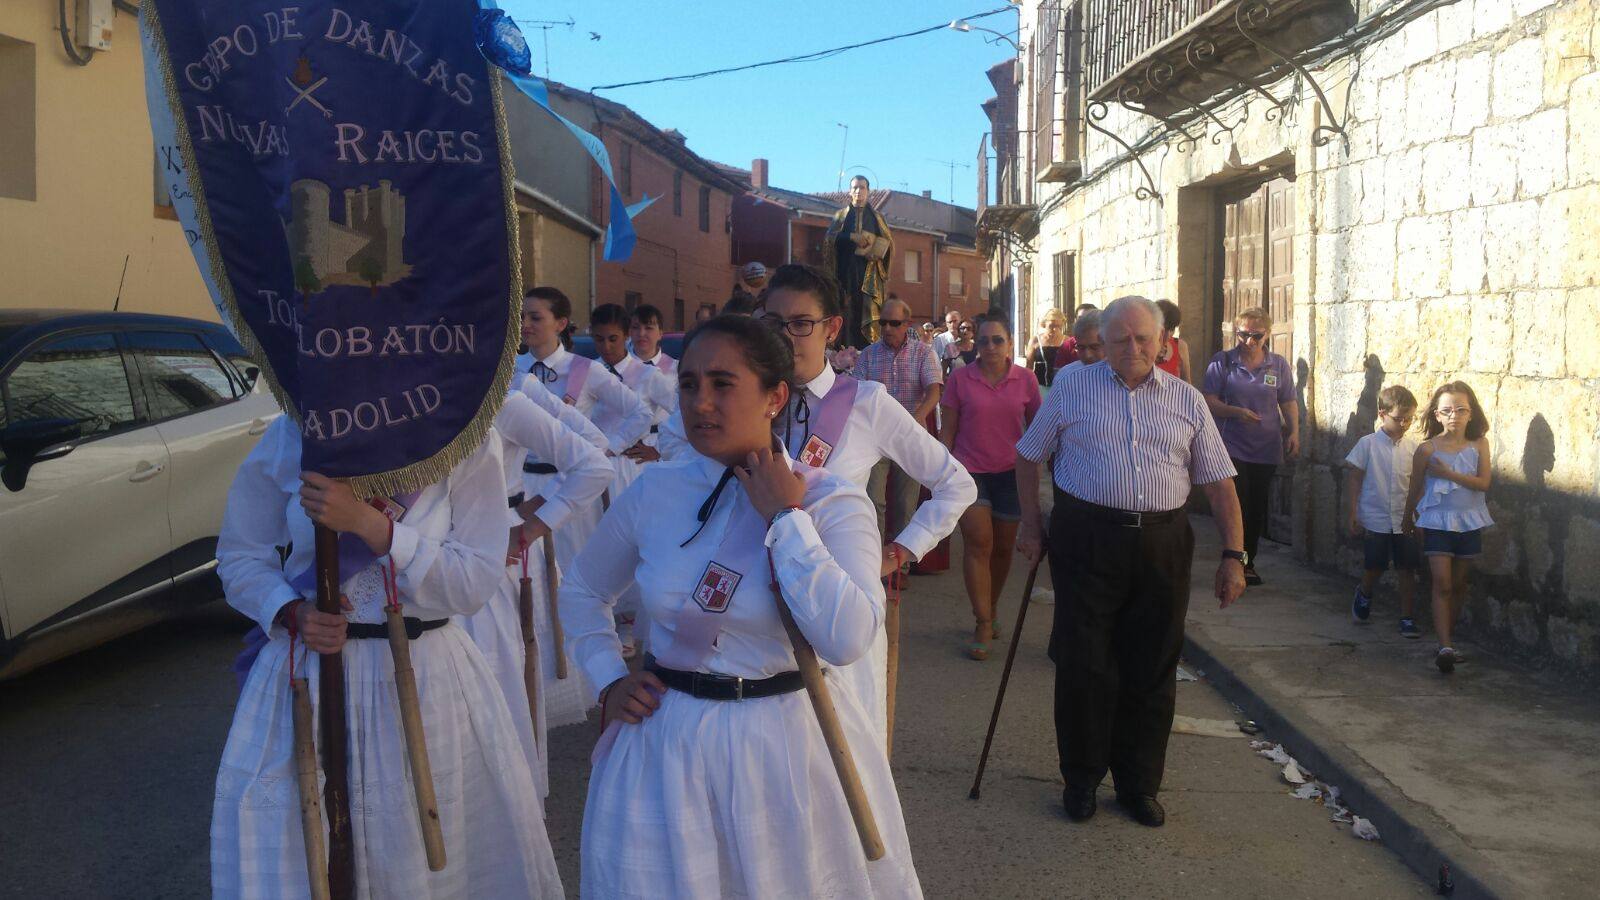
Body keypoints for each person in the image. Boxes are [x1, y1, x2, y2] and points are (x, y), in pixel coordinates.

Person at [563, 316, 923, 898]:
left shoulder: (831, 501)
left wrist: (786, 519)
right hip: (665, 744)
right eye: (688, 384)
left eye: (723, 384)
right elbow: (582, 589)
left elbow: (848, 637)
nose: (700, 402)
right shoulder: (655, 490)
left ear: (774, 396)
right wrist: (608, 678)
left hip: (785, 745)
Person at [212, 418, 563, 897]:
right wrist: (290, 610)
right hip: (310, 671)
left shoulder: (463, 431)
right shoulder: (296, 430)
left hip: (423, 676)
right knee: (308, 855)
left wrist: (371, 527)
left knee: (423, 854)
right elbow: (240, 555)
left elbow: (474, 582)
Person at [661, 264, 973, 741]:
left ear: (832, 328)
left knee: (833, 750)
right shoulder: (738, 395)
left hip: (832, 601)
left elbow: (955, 483)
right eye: (773, 322)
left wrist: (900, 551)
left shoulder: (866, 403)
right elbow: (676, 450)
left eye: (801, 323)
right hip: (743, 607)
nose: (785, 335)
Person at [1015, 295, 1245, 829]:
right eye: (1120, 339)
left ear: (1162, 342)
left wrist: (1233, 556)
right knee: (1084, 662)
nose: (1132, 348)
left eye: (1143, 338)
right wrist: (1030, 524)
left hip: (1163, 543)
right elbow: (1028, 456)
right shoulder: (1072, 386)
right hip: (1087, 539)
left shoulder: (1187, 400)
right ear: (1103, 341)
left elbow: (1219, 484)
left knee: (1153, 664)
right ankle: (1081, 779)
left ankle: (1139, 785)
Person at [460, 384, 611, 798]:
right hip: (435, 556)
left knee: (499, 679)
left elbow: (594, 460)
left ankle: (510, 797)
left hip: (497, 550)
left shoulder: (506, 398)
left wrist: (534, 522)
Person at [939, 316, 1040, 660]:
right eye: (984, 341)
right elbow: (948, 429)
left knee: (1002, 549)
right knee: (979, 543)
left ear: (1010, 343)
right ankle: (983, 622)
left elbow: (1038, 430)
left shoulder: (1026, 380)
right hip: (969, 471)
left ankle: (991, 607)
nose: (991, 347)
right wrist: (941, 472)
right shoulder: (960, 378)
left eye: (998, 340)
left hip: (1011, 474)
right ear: (976, 344)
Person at [1201, 306, 1299, 585]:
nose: (1249, 341)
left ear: (1267, 334)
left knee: (1256, 507)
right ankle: (1235, 560)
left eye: (1256, 335)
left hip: (1266, 447)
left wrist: (1294, 432)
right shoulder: (1223, 362)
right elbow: (1208, 400)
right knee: (1238, 504)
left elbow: (1288, 400)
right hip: (1232, 445)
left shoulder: (1277, 365)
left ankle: (1247, 562)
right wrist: (1236, 412)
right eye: (1243, 334)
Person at [1403, 381, 1493, 674]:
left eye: (1461, 409)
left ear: (1471, 413)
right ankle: (1444, 646)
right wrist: (1407, 518)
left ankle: (1448, 640)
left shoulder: (1480, 445)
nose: (1454, 415)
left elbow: (1483, 483)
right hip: (1437, 522)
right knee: (1442, 583)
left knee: (1458, 584)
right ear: (1437, 415)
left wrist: (1448, 474)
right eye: (1447, 410)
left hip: (1469, 521)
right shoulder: (1427, 450)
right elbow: (1415, 486)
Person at [852, 297, 944, 543]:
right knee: (872, 500)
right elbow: (855, 392)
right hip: (875, 437)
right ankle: (874, 557)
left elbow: (934, 391)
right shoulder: (868, 355)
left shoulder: (923, 353)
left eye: (894, 323)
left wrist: (916, 419)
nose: (887, 328)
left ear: (907, 324)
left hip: (908, 437)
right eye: (883, 322)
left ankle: (900, 560)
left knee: (905, 504)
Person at [1344, 385, 1422, 637]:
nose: (1404, 424)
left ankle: (1407, 617)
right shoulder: (1367, 444)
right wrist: (1353, 511)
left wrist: (1418, 514)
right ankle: (1364, 592)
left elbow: (1417, 484)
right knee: (1375, 564)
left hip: (1404, 517)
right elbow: (1355, 478)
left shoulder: (1413, 449)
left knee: (1406, 568)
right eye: (1399, 418)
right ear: (1382, 414)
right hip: (1375, 515)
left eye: (1409, 418)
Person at [824, 175, 895, 349]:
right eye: (855, 187)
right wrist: (851, 237)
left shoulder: (877, 218)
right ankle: (844, 349)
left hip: (869, 276)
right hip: (845, 273)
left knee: (866, 311)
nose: (858, 191)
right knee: (846, 311)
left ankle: (867, 350)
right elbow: (829, 240)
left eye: (862, 187)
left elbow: (889, 244)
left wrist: (877, 254)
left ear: (868, 191)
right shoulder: (841, 216)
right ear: (849, 191)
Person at [1023, 308, 1068, 387]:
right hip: (1039, 387)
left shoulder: (1067, 341)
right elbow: (1028, 367)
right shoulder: (1035, 341)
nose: (1055, 329)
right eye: (1051, 326)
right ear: (1044, 324)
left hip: (1062, 387)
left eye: (1058, 326)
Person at [628, 302, 677, 375]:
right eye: (635, 327)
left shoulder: (675, 369)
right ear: (630, 332)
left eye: (648, 328)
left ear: (660, 334)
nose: (641, 333)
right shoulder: (618, 366)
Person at [1154, 299, 1192, 382]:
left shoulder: (1180, 347)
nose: (1168, 335)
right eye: (1164, 329)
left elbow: (1187, 384)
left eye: (1172, 329)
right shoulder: (1143, 348)